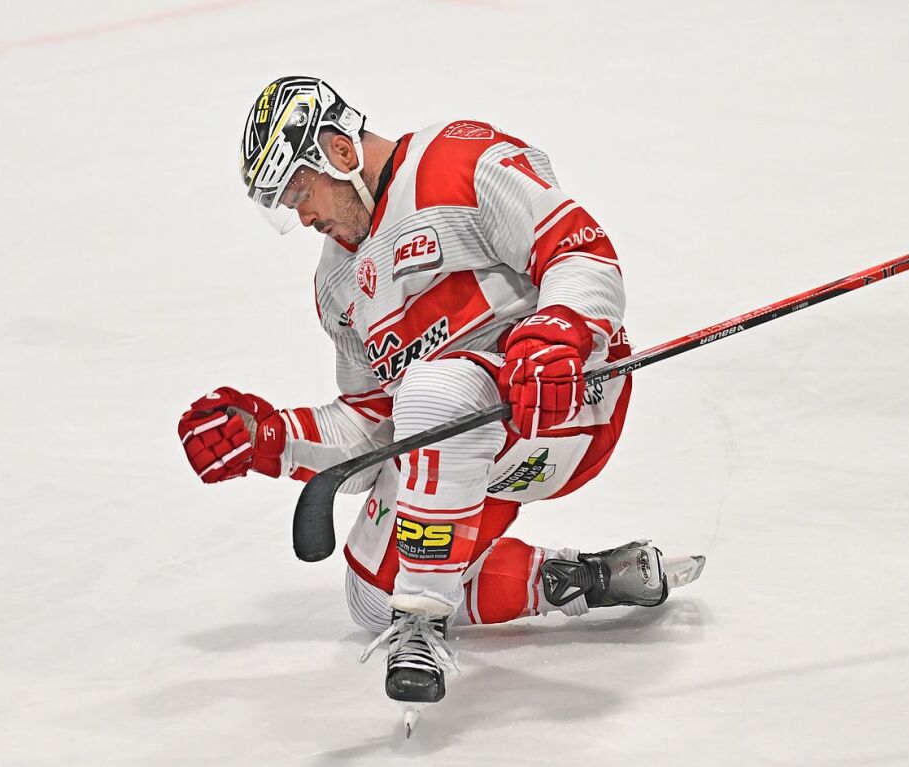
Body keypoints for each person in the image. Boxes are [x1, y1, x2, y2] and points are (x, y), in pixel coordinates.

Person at [177, 76, 703, 721]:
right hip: (467, 443)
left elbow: (580, 251)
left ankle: (422, 619)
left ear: (339, 150)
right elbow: (379, 430)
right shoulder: (338, 284)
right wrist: (273, 438)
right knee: (370, 600)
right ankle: (582, 578)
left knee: (436, 388)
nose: (303, 216)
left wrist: (557, 331)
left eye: (298, 191)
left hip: (566, 404)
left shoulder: (457, 163)